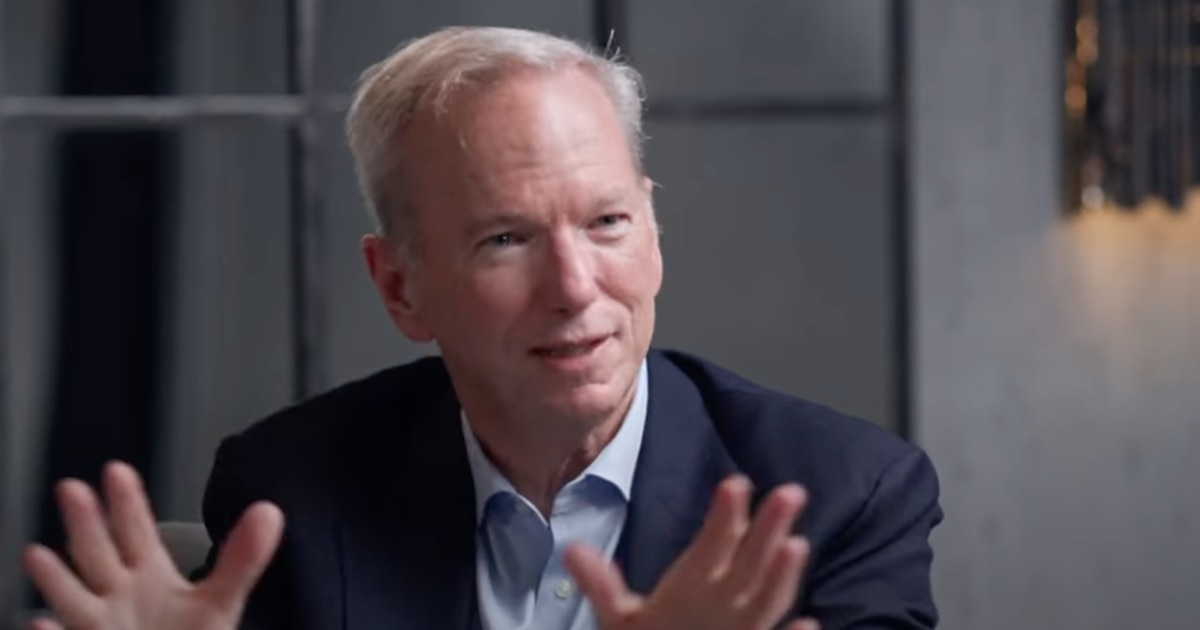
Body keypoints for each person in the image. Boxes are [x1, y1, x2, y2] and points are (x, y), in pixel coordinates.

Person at [20, 26, 942, 630]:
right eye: (506, 239)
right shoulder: (292, 493)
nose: (575, 286)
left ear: (654, 233)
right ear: (401, 287)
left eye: (607, 222)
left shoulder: (843, 498)